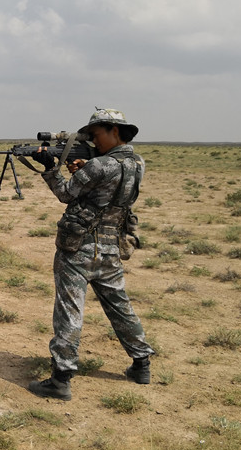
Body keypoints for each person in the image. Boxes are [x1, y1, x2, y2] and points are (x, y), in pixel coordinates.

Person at [27, 107, 153, 402]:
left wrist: (49, 168)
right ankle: (141, 363)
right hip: (110, 248)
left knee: (69, 310)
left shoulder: (99, 167)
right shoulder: (138, 163)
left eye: (96, 135)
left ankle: (61, 378)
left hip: (80, 247)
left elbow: (66, 194)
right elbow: (105, 190)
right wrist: (83, 168)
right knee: (120, 306)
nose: (94, 141)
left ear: (115, 132)